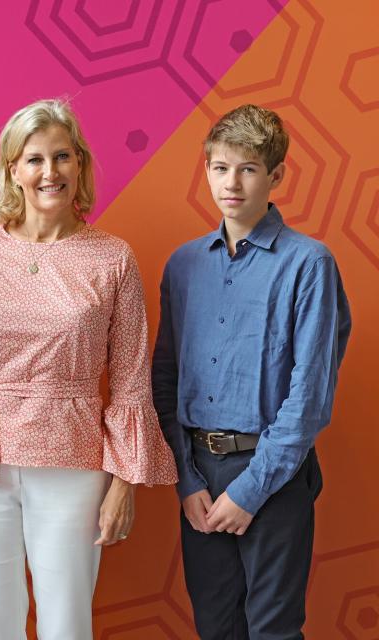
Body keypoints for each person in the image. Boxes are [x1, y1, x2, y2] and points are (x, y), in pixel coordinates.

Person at [0, 98, 177, 639]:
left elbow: (131, 382)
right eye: (34, 159)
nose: (49, 172)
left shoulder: (112, 258)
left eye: (62, 157)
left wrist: (124, 484)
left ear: (79, 164)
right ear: (13, 168)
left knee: (66, 626)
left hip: (71, 462)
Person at [152, 104, 351, 639]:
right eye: (220, 168)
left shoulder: (309, 265)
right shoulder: (184, 266)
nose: (231, 183)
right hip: (198, 473)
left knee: (273, 630)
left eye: (247, 169)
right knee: (215, 626)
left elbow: (309, 396)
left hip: (274, 471)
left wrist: (251, 490)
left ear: (275, 176)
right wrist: (185, 480)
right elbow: (165, 380)